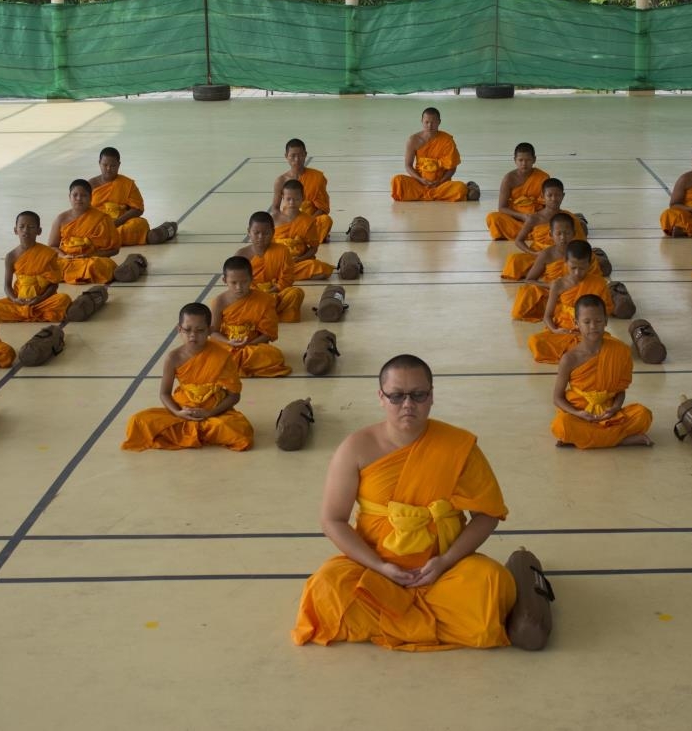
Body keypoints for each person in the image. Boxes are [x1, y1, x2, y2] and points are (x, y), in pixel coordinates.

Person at [292, 354, 516, 650]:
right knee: (325, 587)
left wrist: (446, 561)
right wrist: (379, 566)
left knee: (491, 582)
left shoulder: (458, 446)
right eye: (397, 396)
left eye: (418, 395)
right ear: (381, 398)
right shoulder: (356, 448)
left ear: (432, 396)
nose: (408, 405)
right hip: (373, 569)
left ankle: (393, 622)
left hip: (443, 570)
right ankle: (439, 625)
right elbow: (332, 520)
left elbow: (487, 514)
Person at [120, 302, 254, 451]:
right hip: (182, 409)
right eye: (187, 330)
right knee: (138, 421)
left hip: (213, 412)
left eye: (200, 330)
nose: (193, 335)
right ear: (179, 329)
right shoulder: (173, 357)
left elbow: (234, 396)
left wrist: (209, 413)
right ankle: (198, 432)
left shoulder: (222, 355)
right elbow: (164, 394)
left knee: (236, 431)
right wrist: (178, 412)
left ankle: (191, 432)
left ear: (209, 330)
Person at [551, 295, 654, 449]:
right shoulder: (569, 359)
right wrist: (578, 414)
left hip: (609, 414)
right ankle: (620, 440)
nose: (593, 326)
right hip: (581, 413)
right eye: (586, 322)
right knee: (562, 425)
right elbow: (557, 398)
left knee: (643, 414)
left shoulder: (620, 351)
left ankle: (584, 439)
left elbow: (620, 390)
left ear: (605, 321)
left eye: (598, 321)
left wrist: (615, 408)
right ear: (576, 323)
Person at [527, 241, 615, 364]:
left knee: (608, 346)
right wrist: (555, 330)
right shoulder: (558, 284)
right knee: (535, 341)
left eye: (582, 268)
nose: (577, 272)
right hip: (564, 330)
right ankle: (581, 354)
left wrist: (590, 328)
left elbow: (605, 314)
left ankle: (578, 354)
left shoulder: (599, 283)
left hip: (590, 330)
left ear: (589, 264)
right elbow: (547, 316)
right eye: (573, 267)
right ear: (565, 262)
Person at [209, 256, 291, 377]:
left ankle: (233, 365)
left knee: (275, 356)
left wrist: (247, 345)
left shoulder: (265, 300)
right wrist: (229, 342)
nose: (239, 287)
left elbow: (268, 334)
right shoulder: (219, 301)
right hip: (227, 345)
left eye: (244, 282)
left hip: (253, 345)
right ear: (224, 280)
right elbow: (214, 332)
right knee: (208, 353)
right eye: (233, 282)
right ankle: (239, 364)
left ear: (252, 279)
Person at [0, 211, 73, 322]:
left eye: (31, 227)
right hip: (20, 299)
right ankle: (35, 314)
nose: (26, 230)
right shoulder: (11, 256)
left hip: (43, 300)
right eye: (22, 227)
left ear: (38, 231)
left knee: (63, 299)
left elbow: (54, 285)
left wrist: (40, 298)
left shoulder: (47, 253)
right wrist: (15, 299)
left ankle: (26, 313)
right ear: (16, 230)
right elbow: (7, 286)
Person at [501, 178, 587, 280]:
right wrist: (534, 253)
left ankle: (548, 272)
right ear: (542, 196)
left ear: (563, 196)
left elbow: (581, 243)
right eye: (549, 195)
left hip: (563, 255)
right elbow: (519, 241)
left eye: (558, 195)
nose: (554, 199)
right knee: (514, 260)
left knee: (584, 263)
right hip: (538, 255)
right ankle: (546, 271)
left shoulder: (570, 218)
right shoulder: (534, 218)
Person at [90, 147, 175, 246]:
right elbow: (83, 212)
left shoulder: (127, 184)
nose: (108, 169)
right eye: (105, 165)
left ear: (119, 165)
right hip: (100, 227)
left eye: (113, 166)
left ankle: (168, 228)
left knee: (144, 228)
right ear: (99, 163)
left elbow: (138, 208)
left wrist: (117, 222)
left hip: (122, 224)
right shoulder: (90, 185)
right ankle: (108, 239)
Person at [510, 213, 583, 321]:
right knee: (524, 298)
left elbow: (591, 278)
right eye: (558, 233)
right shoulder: (547, 254)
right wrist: (551, 285)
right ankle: (561, 311)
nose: (563, 238)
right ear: (551, 234)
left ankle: (565, 311)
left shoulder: (580, 252)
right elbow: (529, 280)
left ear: (574, 234)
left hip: (575, 292)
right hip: (551, 293)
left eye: (567, 233)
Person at [49, 179, 121, 284]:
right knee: (46, 265)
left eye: (83, 195)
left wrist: (91, 255)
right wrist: (64, 256)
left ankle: (72, 275)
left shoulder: (103, 218)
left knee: (99, 266)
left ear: (91, 197)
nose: (79, 199)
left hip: (91, 260)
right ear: (69, 197)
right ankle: (81, 275)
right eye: (75, 195)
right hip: (67, 259)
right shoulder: (61, 218)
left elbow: (114, 250)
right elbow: (52, 247)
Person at [237, 211, 304, 322]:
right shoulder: (241, 254)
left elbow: (287, 278)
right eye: (256, 233)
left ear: (273, 232)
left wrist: (274, 290)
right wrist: (258, 293)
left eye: (266, 233)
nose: (261, 237)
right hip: (253, 296)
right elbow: (238, 283)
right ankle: (270, 314)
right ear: (249, 232)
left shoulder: (282, 251)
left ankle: (263, 315)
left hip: (275, 293)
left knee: (296, 293)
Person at [391, 107, 469, 202]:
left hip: (440, 184)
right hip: (419, 182)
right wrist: (420, 179)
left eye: (433, 122)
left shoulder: (447, 140)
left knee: (460, 188)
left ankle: (422, 195)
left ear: (439, 122)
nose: (430, 126)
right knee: (397, 181)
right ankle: (433, 195)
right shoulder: (413, 140)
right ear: (422, 121)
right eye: (426, 122)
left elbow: (452, 168)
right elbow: (408, 166)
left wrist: (440, 181)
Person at [270, 138, 333, 244]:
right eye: (293, 156)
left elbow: (323, 208)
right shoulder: (281, 180)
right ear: (286, 156)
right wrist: (285, 221)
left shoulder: (317, 177)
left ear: (305, 154)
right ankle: (304, 236)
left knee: (325, 220)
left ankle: (305, 235)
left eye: (300, 155)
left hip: (311, 219)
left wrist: (305, 222)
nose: (297, 159)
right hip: (288, 220)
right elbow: (275, 209)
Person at [486, 142, 551, 240]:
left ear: (534, 160)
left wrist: (534, 217)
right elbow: (502, 208)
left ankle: (521, 234)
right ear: (515, 160)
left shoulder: (543, 177)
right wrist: (522, 216)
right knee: (492, 218)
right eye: (520, 160)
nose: (524, 164)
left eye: (528, 160)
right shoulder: (509, 179)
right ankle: (531, 234)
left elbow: (548, 205)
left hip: (536, 218)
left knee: (553, 224)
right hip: (516, 219)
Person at [272, 180, 334, 281]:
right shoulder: (274, 218)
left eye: (296, 199)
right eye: (288, 199)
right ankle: (282, 274)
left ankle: (282, 276)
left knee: (323, 270)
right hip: (277, 262)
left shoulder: (307, 221)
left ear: (302, 198)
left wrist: (299, 259)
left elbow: (313, 248)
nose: (292, 203)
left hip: (297, 262)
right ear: (282, 198)